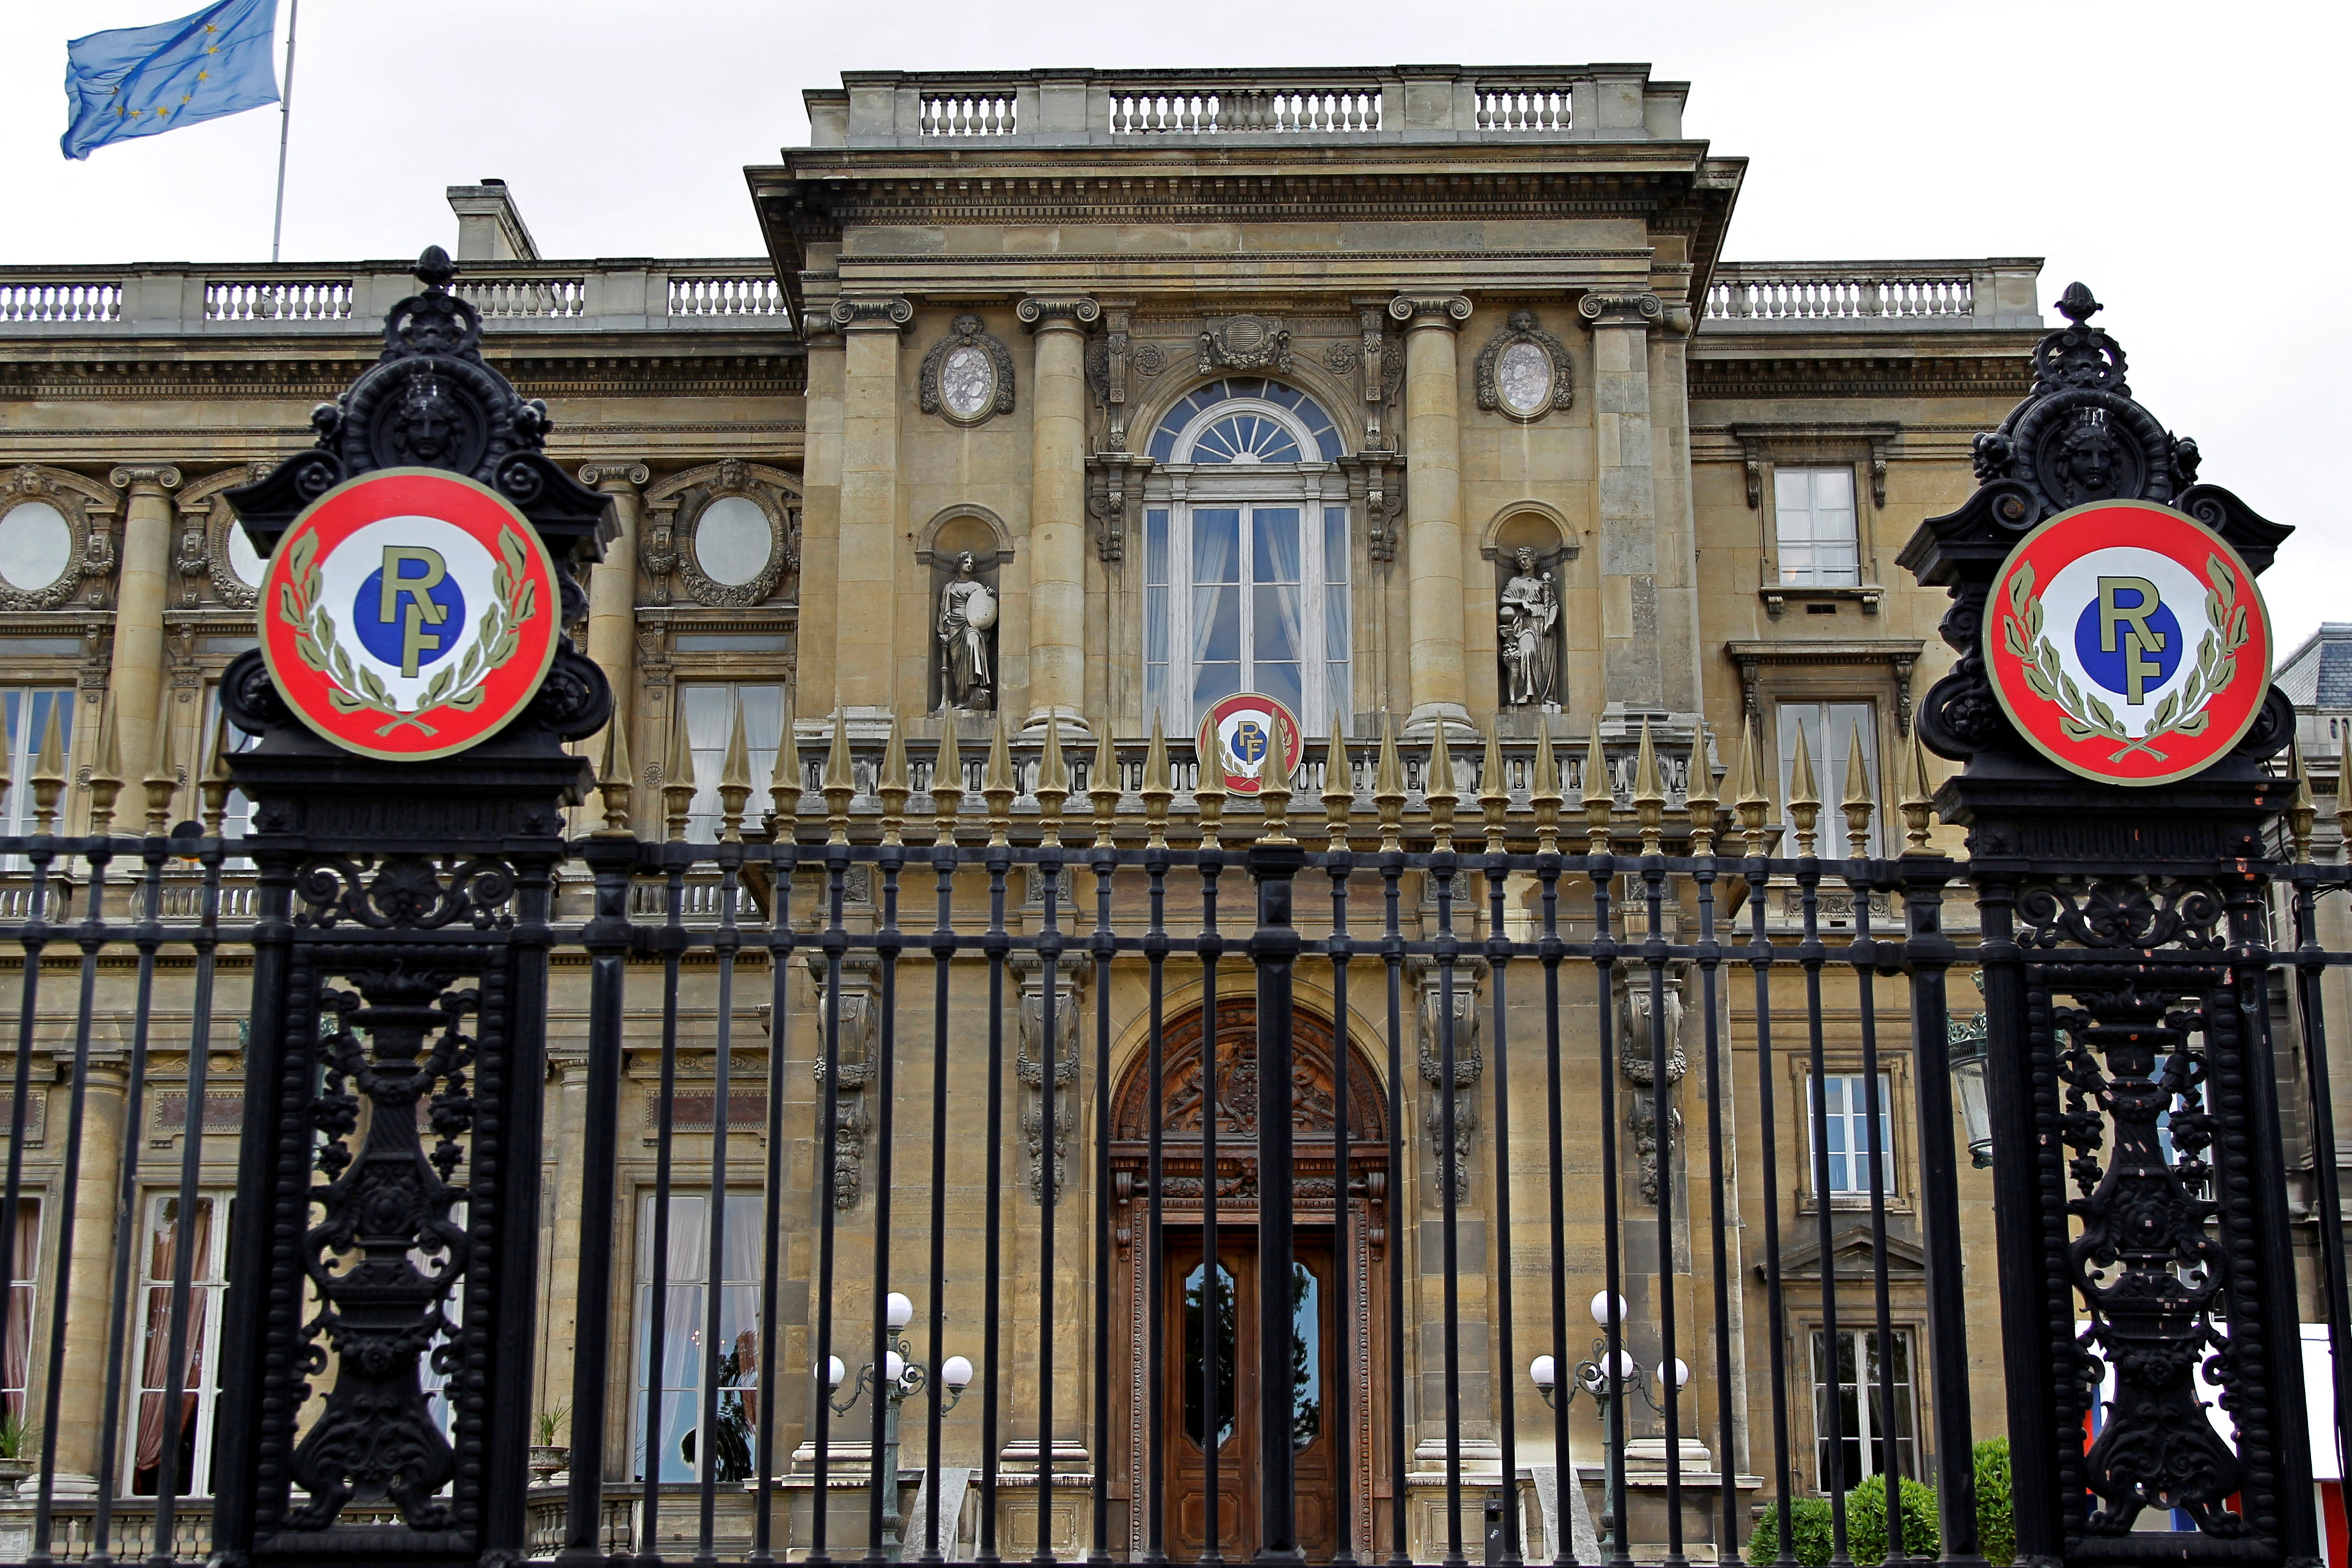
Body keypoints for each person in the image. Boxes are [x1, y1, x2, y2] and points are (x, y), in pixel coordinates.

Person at [1497, 546, 1558, 706]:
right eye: (1520, 561)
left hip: (1543, 625)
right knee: (1527, 652)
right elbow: (1504, 600)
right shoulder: (1515, 582)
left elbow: (1553, 605)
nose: (1523, 562)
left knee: (1544, 661)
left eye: (1525, 558)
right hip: (1525, 625)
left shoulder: (1543, 584)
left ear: (1534, 560)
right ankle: (1526, 693)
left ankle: (1545, 696)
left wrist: (1550, 623)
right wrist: (1522, 602)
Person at [937, 551, 995, 709]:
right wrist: (942, 631)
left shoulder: (978, 587)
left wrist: (991, 596)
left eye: (971, 563)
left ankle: (976, 686)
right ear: (959, 565)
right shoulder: (949, 587)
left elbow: (985, 608)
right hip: (954, 629)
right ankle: (963, 698)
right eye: (966, 562)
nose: (969, 564)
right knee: (958, 665)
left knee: (972, 645)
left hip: (972, 627)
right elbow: (944, 611)